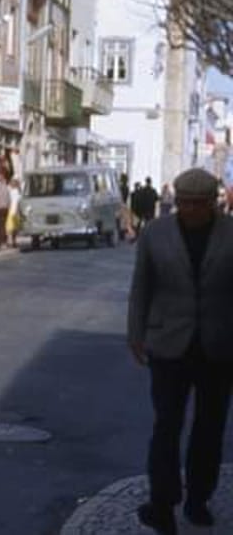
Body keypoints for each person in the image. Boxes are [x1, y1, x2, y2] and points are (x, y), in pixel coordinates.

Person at [128, 168, 233, 534]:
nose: (188, 210)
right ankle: (162, 504)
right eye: (183, 203)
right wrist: (135, 334)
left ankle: (199, 499)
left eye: (197, 205)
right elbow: (141, 287)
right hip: (168, 345)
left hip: (219, 347)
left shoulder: (230, 233)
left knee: (210, 427)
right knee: (166, 426)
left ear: (212, 203)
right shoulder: (156, 234)